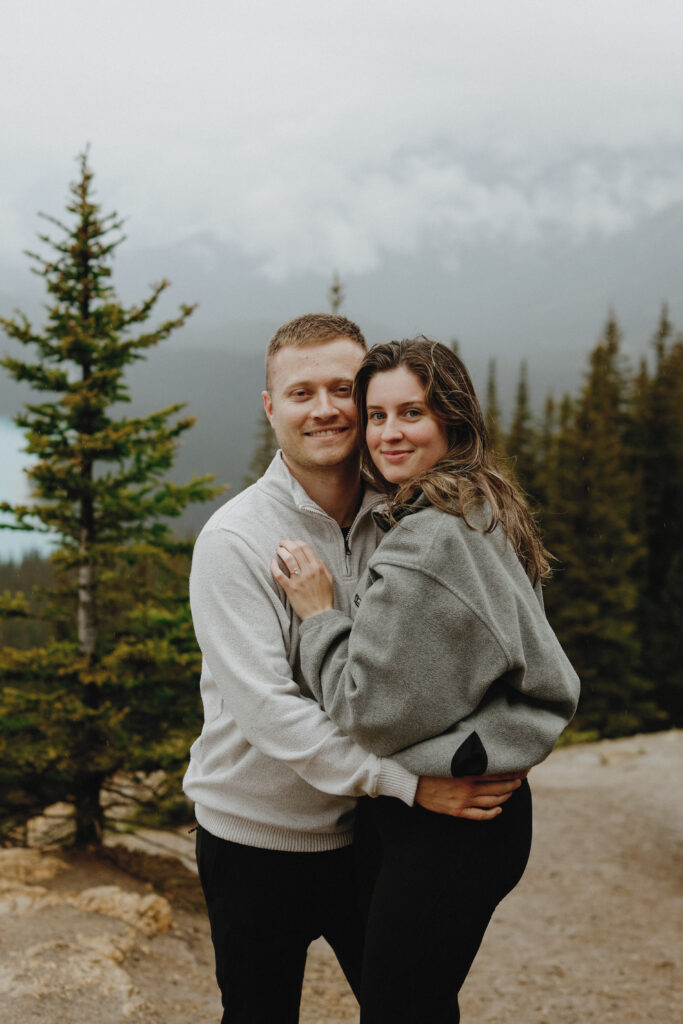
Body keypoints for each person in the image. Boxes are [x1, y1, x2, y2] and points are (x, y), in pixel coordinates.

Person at [183, 316, 525, 1024]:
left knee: (413, 1007)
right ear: (270, 406)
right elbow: (269, 711)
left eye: (343, 389)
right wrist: (409, 784)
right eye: (300, 392)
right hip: (257, 835)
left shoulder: (409, 514)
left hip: (370, 834)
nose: (326, 409)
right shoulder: (235, 541)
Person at [272, 338, 580, 1024]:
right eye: (375, 415)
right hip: (473, 809)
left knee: (399, 1008)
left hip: (449, 826)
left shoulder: (431, 539)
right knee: (419, 1003)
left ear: (450, 420)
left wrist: (320, 618)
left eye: (409, 412)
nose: (387, 433)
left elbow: (370, 710)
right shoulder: (479, 506)